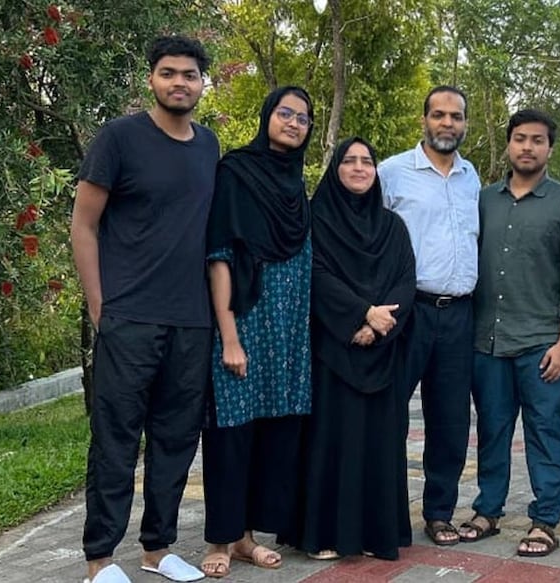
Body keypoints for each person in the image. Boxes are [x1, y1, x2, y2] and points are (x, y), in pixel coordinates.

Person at [71, 35, 217, 583]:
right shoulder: (119, 139)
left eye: (189, 74)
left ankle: (158, 550)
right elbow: (83, 225)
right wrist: (99, 305)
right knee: (116, 438)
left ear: (203, 83)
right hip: (129, 317)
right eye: (168, 73)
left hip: (192, 319)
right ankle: (100, 559)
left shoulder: (209, 146)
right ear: (151, 79)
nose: (179, 82)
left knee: (177, 438)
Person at [456, 109, 560, 557]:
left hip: (541, 344)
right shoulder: (483, 199)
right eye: (519, 139)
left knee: (545, 431)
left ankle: (545, 520)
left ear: (550, 148)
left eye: (537, 140)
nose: (527, 147)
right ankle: (488, 510)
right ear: (508, 144)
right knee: (491, 429)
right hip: (487, 341)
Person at [198, 86, 314, 579]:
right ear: (267, 116)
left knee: (274, 430)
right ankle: (223, 538)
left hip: (288, 325)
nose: (293, 122)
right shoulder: (236, 171)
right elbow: (221, 254)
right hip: (245, 317)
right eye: (285, 113)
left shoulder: (296, 181)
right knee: (231, 430)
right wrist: (228, 333)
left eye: (303, 118)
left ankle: (248, 538)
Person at [295, 137, 417, 560]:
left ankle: (373, 532)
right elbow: (317, 274)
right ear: (335, 168)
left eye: (367, 161)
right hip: (333, 351)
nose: (360, 168)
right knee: (331, 441)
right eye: (350, 161)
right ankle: (325, 534)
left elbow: (405, 279)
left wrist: (379, 326)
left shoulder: (392, 226)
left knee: (380, 443)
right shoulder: (316, 221)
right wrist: (361, 315)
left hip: (383, 351)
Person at [378, 86, 481, 546]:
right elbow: (367, 240)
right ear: (424, 119)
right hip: (407, 313)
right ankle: (384, 513)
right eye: (438, 115)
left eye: (455, 116)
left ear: (464, 123)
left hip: (459, 315)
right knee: (389, 415)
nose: (447, 123)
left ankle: (439, 512)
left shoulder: (471, 176)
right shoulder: (391, 173)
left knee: (451, 420)